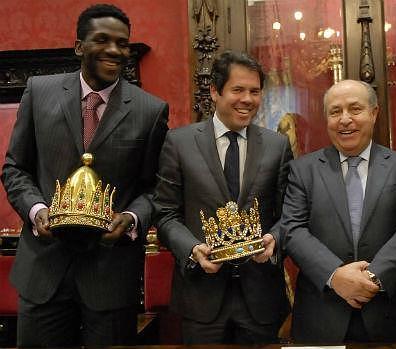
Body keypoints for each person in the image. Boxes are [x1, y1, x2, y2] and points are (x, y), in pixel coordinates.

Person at [1, 4, 169, 347]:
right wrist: (36, 211)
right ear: (79, 46)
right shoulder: (39, 91)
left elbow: (155, 187)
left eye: (122, 43)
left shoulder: (150, 110)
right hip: (43, 271)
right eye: (102, 40)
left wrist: (132, 218)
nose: (114, 50)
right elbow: (15, 168)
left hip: (110, 274)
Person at [153, 50, 292, 344]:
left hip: (261, 297)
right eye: (238, 90)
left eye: (255, 91)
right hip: (200, 298)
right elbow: (164, 213)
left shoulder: (277, 147)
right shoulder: (179, 143)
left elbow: (289, 215)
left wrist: (275, 239)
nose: (248, 99)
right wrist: (192, 249)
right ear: (215, 91)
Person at [281, 79, 396, 343]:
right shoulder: (303, 170)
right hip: (321, 314)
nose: (345, 119)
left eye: (355, 109)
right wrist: (335, 275)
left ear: (374, 113)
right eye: (335, 112)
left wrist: (371, 278)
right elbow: (293, 229)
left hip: (388, 312)